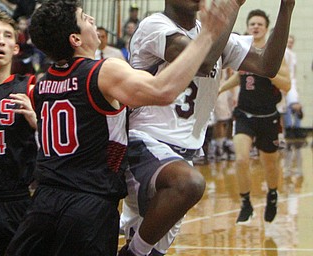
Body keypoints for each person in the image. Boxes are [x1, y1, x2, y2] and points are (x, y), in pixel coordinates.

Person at [5, 0, 231, 255]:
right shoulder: (103, 71)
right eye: (85, 18)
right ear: (75, 39)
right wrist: (209, 34)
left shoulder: (46, 81)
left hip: (44, 202)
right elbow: (164, 90)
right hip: (88, 204)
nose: (92, 21)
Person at [119, 0, 295, 255]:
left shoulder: (211, 34)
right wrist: (232, 6)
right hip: (145, 144)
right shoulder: (154, 26)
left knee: (151, 250)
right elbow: (202, 61)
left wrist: (286, 8)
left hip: (182, 155)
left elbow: (267, 65)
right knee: (189, 185)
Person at [218, 9, 291, 225]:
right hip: (244, 114)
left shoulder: (276, 53)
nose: (256, 27)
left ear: (266, 28)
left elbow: (286, 85)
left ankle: (272, 194)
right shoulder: (243, 51)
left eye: (260, 24)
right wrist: (221, 88)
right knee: (241, 159)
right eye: (252, 24)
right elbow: (241, 78)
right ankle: (246, 203)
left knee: (270, 164)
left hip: (268, 116)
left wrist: (269, 69)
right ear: (248, 27)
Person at [0, 8, 37, 256]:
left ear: (16, 47)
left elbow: (54, 140)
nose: (0, 40)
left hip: (16, 200)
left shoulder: (29, 87)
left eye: (7, 35)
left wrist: (36, 121)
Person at [284, 35, 304, 139]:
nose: (290, 44)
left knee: (294, 106)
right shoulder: (285, 52)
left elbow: (294, 71)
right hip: (285, 82)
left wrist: (295, 84)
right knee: (289, 106)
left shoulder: (293, 54)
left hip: (292, 82)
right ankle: (289, 128)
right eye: (288, 42)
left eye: (292, 42)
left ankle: (295, 128)